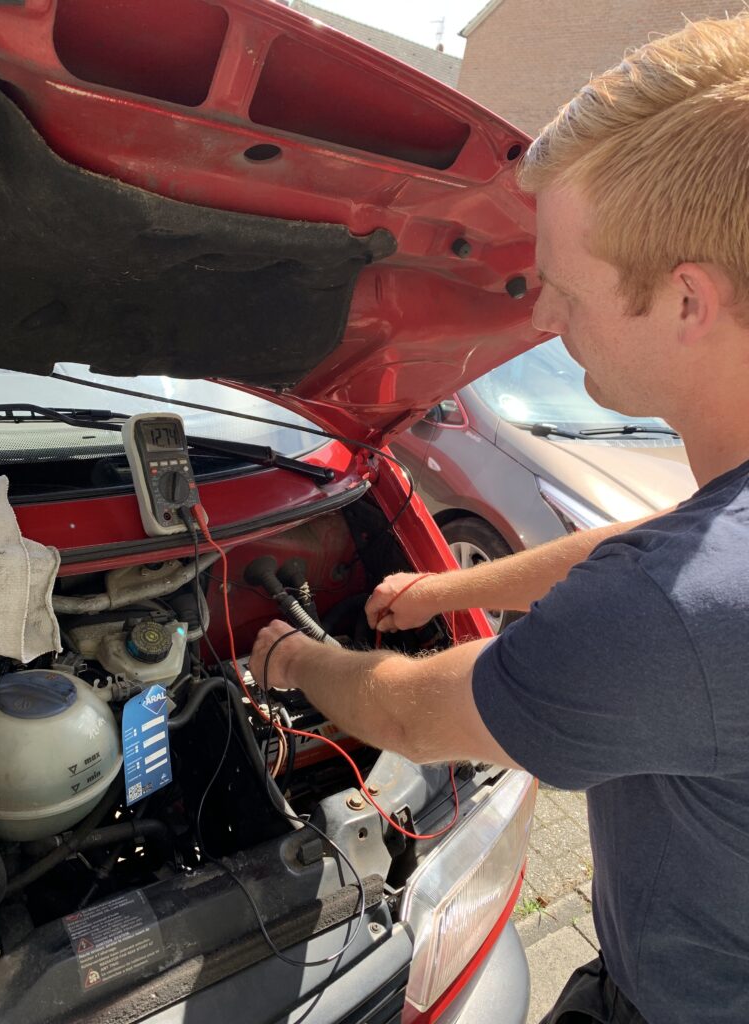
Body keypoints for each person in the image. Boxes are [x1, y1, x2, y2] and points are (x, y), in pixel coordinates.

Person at [250, 13, 749, 1023]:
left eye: (566, 287)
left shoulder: (660, 618)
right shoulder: (712, 553)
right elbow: (641, 546)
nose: (546, 318)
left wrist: (287, 662)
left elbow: (407, 715)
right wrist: (444, 589)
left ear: (689, 301)